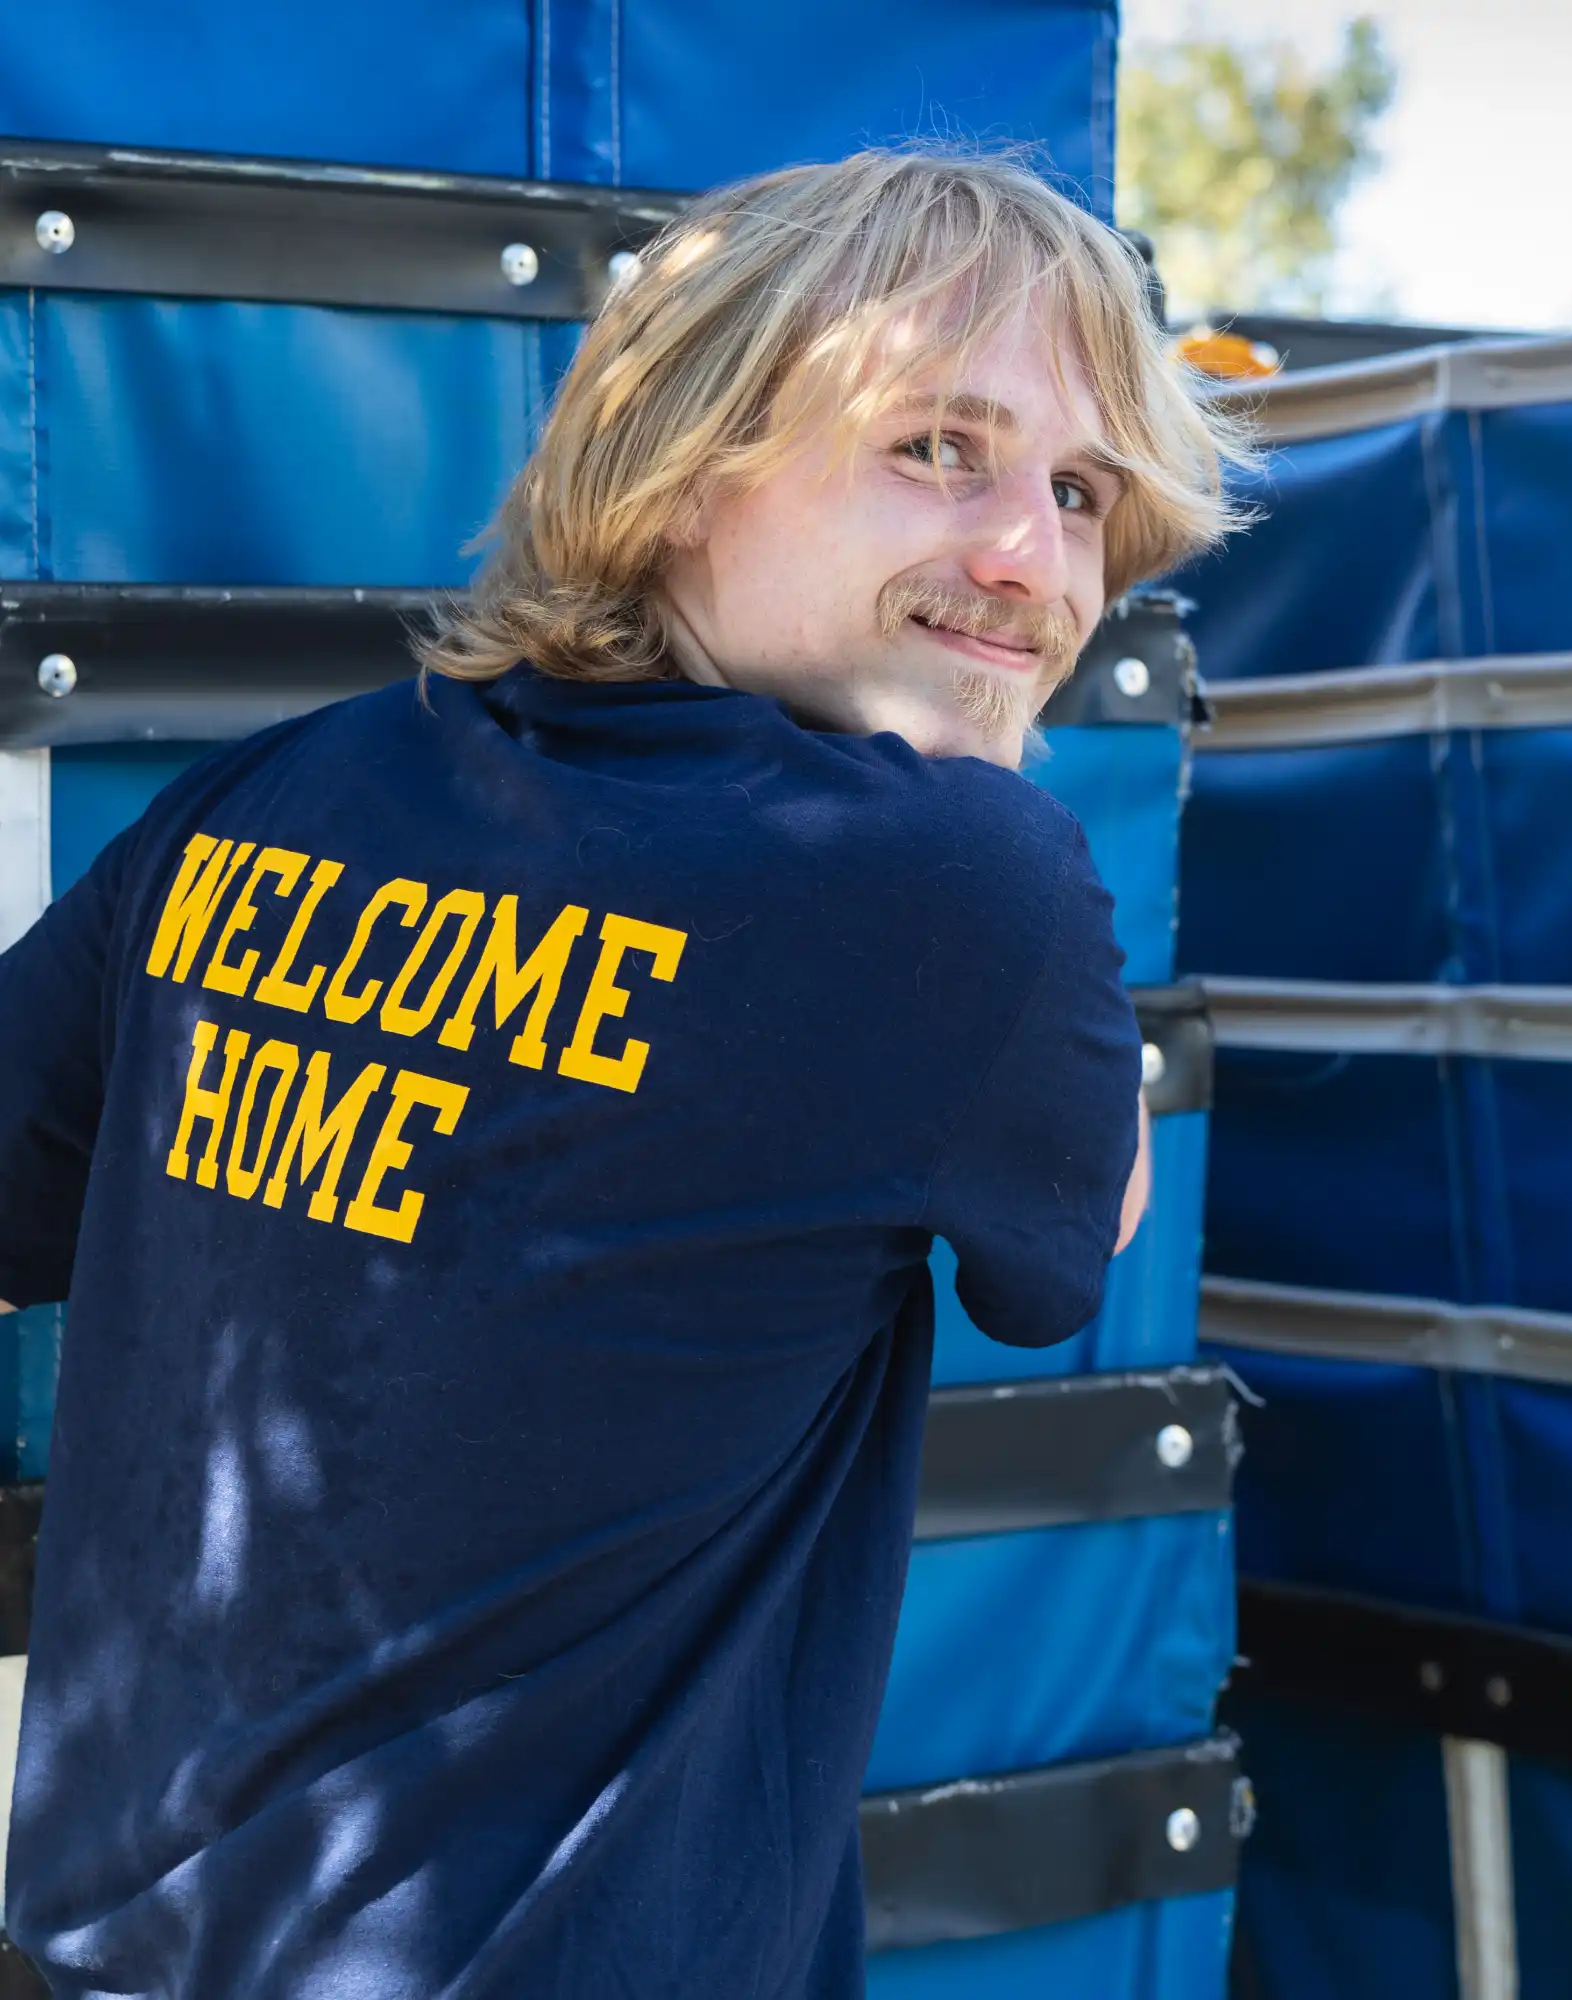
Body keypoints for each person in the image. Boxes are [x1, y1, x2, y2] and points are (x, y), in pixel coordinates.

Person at [0, 149, 1246, 1997]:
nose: (1032, 559)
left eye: (1080, 494)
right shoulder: (950, 878)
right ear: (683, 462)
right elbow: (1073, 1230)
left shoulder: (267, 796)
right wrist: (980, 771)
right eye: (939, 450)